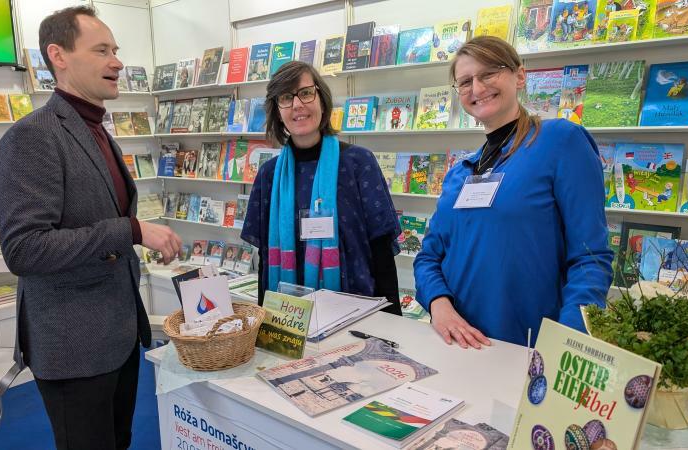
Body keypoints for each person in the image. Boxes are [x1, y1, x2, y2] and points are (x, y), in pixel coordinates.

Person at [0, 6, 181, 450]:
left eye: (115, 49)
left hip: (117, 337)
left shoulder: (95, 130)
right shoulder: (32, 136)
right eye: (101, 50)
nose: (117, 61)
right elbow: (24, 249)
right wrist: (130, 230)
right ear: (58, 55)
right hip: (73, 348)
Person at [413, 36, 612, 349]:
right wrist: (439, 306)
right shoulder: (460, 172)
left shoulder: (560, 141)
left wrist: (565, 345)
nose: (477, 88)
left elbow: (590, 257)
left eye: (488, 73)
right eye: (465, 82)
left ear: (519, 76)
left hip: (527, 347)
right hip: (455, 347)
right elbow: (428, 257)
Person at [241, 61, 402, 314]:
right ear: (277, 111)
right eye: (286, 97)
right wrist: (265, 324)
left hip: (356, 313)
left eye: (306, 93)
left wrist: (391, 324)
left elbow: (382, 251)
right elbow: (265, 258)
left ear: (322, 101)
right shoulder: (268, 175)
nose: (297, 105)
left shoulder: (359, 163)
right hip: (288, 318)